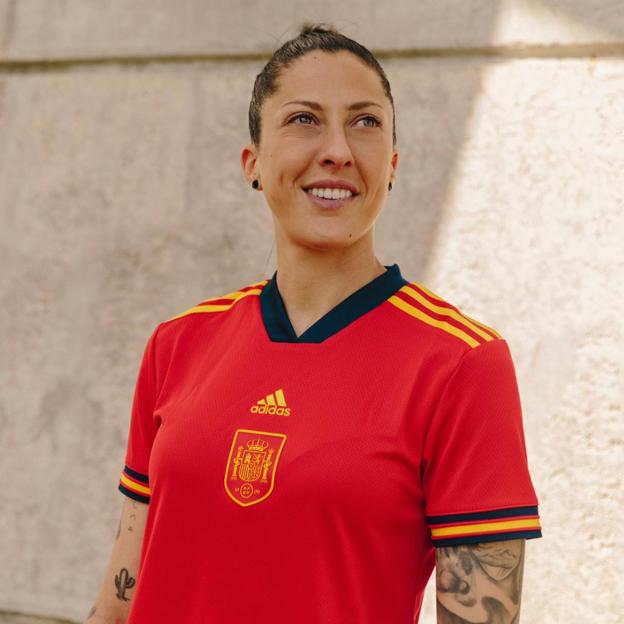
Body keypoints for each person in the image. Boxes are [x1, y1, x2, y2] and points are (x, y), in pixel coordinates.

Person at [85, 23, 541, 624]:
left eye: (365, 122)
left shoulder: (460, 363)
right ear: (253, 161)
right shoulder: (179, 344)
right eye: (304, 119)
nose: (338, 150)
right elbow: (125, 590)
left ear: (394, 165)